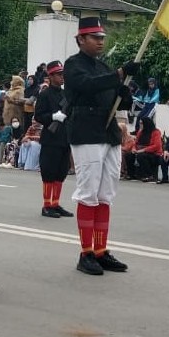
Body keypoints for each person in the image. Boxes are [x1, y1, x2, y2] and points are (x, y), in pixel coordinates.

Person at [64, 17, 136, 275]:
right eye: (95, 37)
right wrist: (117, 75)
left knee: (106, 193)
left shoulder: (103, 66)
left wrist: (125, 89)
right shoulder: (73, 65)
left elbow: (118, 100)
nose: (100, 42)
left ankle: (101, 249)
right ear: (81, 39)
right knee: (88, 192)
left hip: (108, 132)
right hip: (86, 130)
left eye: (102, 37)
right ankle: (86, 253)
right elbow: (87, 86)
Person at [33, 60, 72, 218]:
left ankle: (55, 204)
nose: (62, 77)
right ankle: (47, 205)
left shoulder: (65, 94)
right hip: (51, 138)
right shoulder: (44, 94)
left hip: (64, 138)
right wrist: (53, 116)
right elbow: (39, 116)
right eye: (59, 74)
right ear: (50, 76)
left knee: (61, 172)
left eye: (63, 74)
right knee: (49, 172)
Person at [129, 116, 163, 183]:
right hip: (141, 151)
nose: (140, 125)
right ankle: (131, 174)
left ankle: (150, 175)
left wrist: (143, 150)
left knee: (141, 156)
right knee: (129, 155)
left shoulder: (156, 132)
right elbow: (135, 143)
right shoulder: (140, 132)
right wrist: (133, 149)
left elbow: (156, 145)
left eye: (142, 123)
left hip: (154, 154)